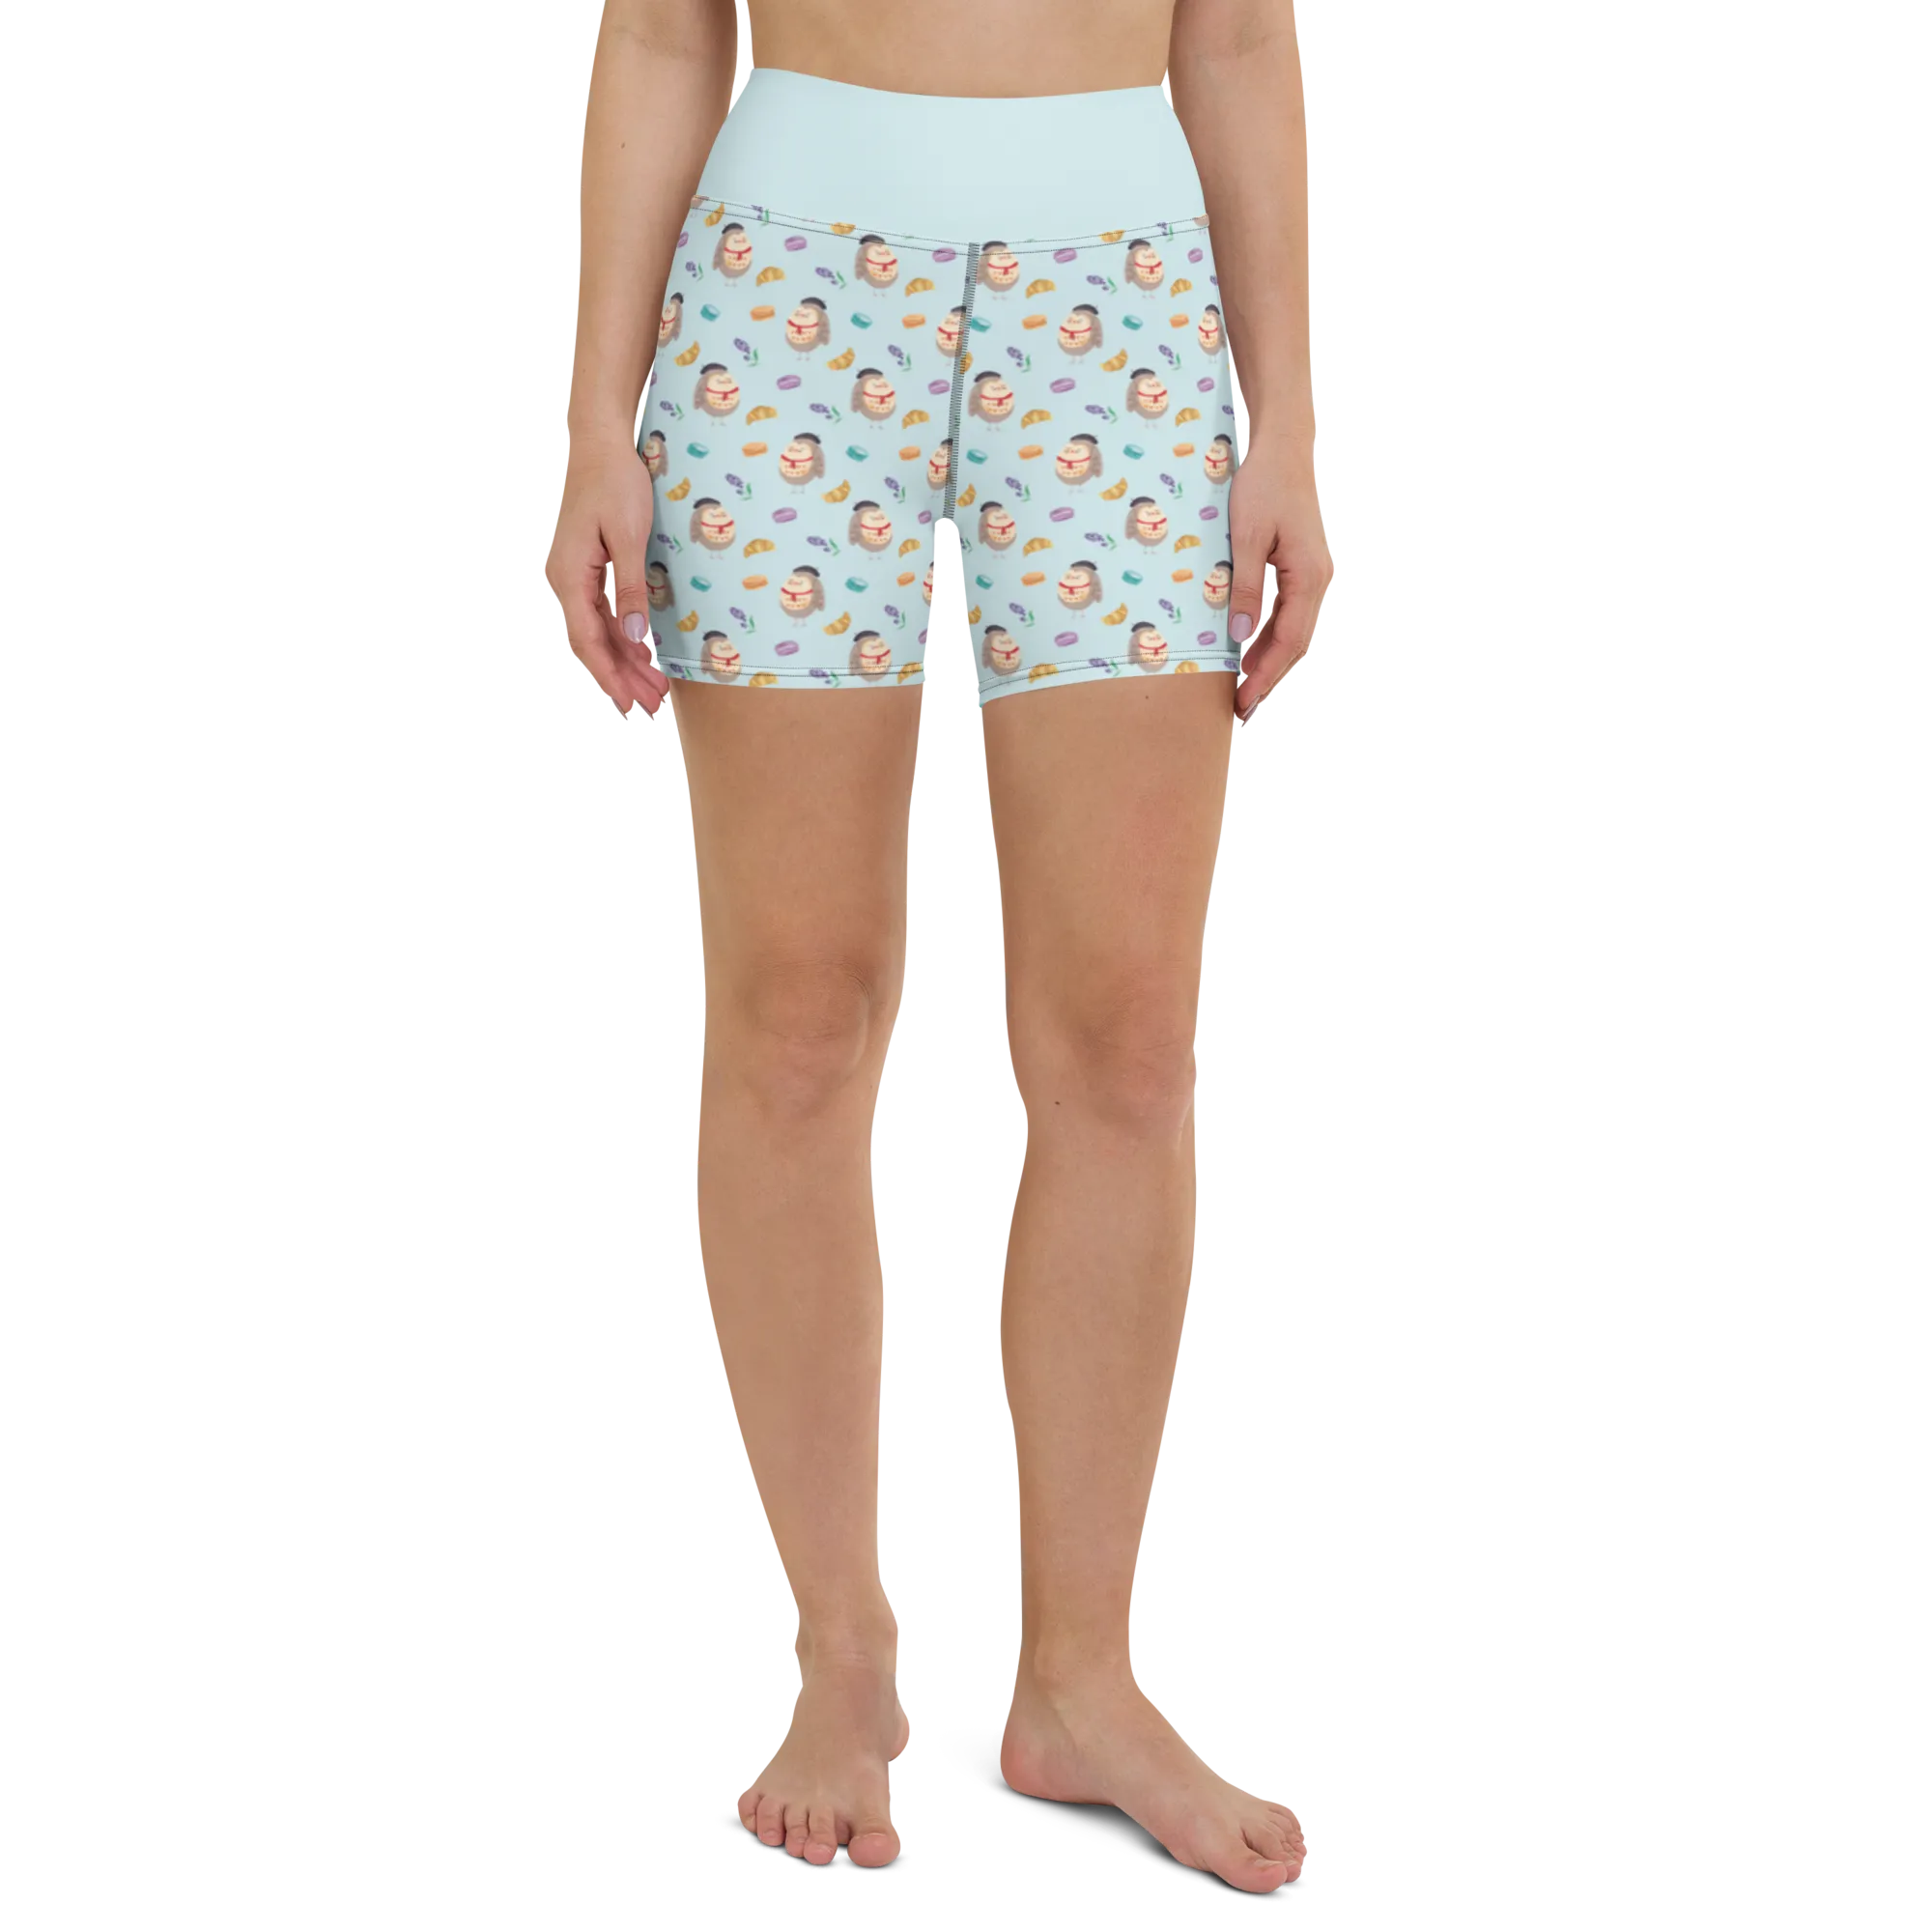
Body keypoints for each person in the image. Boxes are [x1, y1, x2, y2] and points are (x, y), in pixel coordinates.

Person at [547, 0, 1323, 1890]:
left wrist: (1287, 418)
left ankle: (1079, 1681)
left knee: (1125, 1034)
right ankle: (841, 1649)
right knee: (796, 1016)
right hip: (785, 302)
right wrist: (594, 425)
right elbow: (660, 33)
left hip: (1120, 307)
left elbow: (1236, 41)